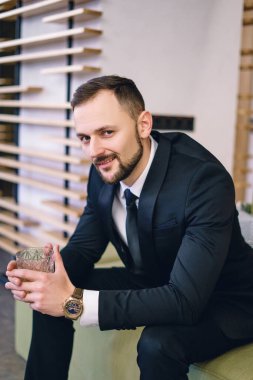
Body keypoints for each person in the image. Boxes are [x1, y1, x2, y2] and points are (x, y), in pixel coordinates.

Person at [5, 75, 253, 380]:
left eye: (106, 132)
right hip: (154, 278)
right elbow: (84, 248)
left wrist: (73, 303)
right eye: (84, 138)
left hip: (224, 299)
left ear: (143, 125)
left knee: (157, 344)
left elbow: (184, 300)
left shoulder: (203, 181)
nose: (94, 151)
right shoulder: (105, 170)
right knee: (49, 296)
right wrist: (41, 279)